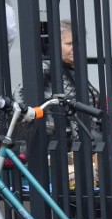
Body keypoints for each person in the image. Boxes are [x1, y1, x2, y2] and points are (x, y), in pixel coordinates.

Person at [18, 19, 102, 148]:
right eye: (69, 43)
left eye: (78, 43)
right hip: (57, 145)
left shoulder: (73, 70)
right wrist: (43, 123)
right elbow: (20, 92)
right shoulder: (47, 67)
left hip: (82, 144)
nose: (75, 48)